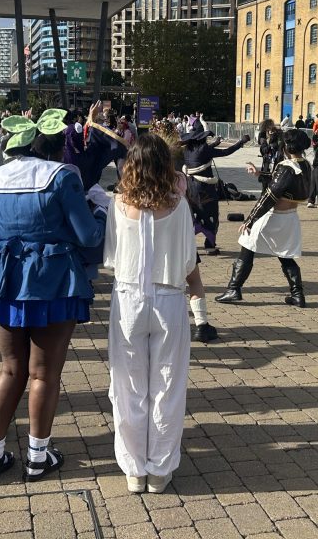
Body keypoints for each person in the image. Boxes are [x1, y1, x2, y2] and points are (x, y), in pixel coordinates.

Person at [0, 110, 107, 483]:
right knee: (43, 373)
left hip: (5, 277)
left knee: (11, 368)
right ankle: (37, 457)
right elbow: (89, 236)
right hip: (53, 277)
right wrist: (102, 211)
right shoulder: (61, 177)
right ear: (55, 146)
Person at [104, 133, 196, 494]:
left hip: (128, 297)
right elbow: (189, 260)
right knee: (168, 384)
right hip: (170, 297)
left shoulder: (117, 203)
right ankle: (159, 468)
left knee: (127, 385)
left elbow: (110, 256)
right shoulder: (179, 204)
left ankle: (134, 469)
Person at [215, 129, 311, 307]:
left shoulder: (286, 167)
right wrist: (260, 174)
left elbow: (270, 196)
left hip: (273, 217)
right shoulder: (304, 165)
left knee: (247, 247)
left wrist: (250, 219)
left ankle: (233, 289)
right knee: (285, 255)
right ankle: (298, 294)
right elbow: (282, 183)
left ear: (287, 146)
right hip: (290, 218)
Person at [180, 129, 249, 255]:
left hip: (190, 187)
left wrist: (215, 144)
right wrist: (241, 142)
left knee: (194, 214)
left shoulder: (187, 150)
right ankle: (210, 246)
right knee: (211, 214)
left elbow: (203, 153)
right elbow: (226, 152)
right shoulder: (205, 150)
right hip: (205, 187)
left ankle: (188, 244)